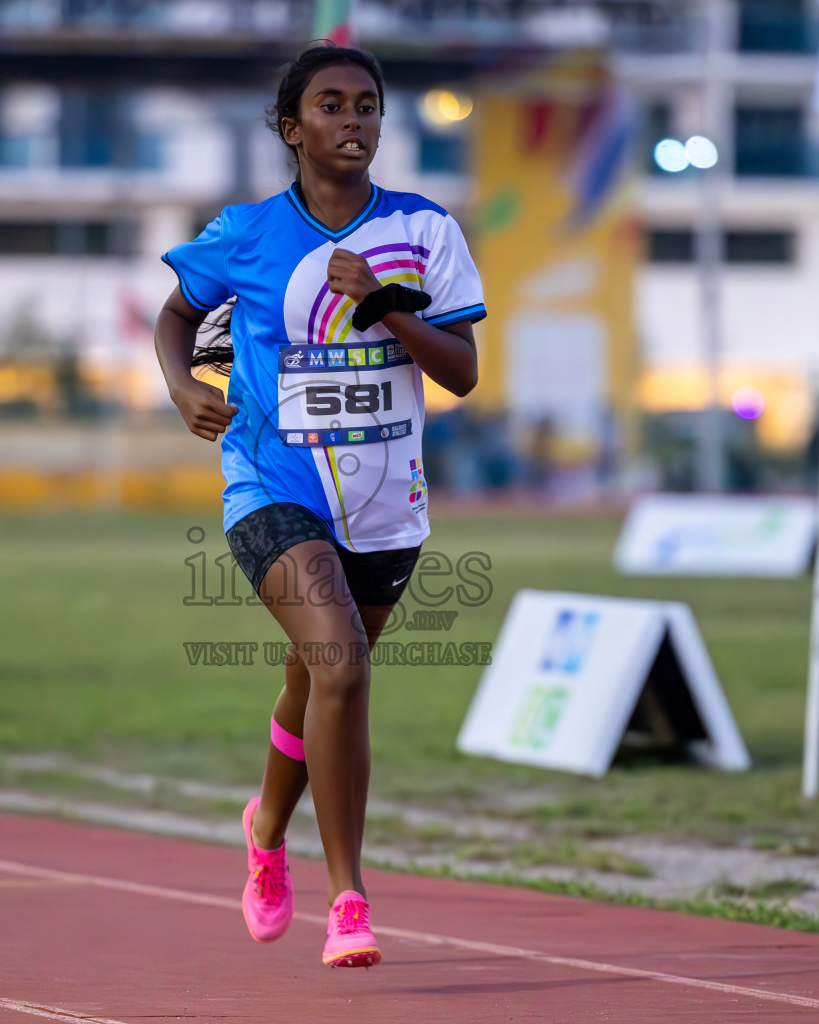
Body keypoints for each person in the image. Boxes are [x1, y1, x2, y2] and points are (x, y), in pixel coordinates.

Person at [153, 43, 485, 969]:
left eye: (369, 106)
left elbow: (459, 372)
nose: (354, 121)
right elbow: (177, 314)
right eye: (332, 106)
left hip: (385, 505)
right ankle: (348, 899)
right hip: (271, 486)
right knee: (341, 669)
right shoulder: (248, 234)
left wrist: (383, 304)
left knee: (314, 684)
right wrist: (183, 388)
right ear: (293, 129)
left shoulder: (425, 232)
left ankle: (265, 832)